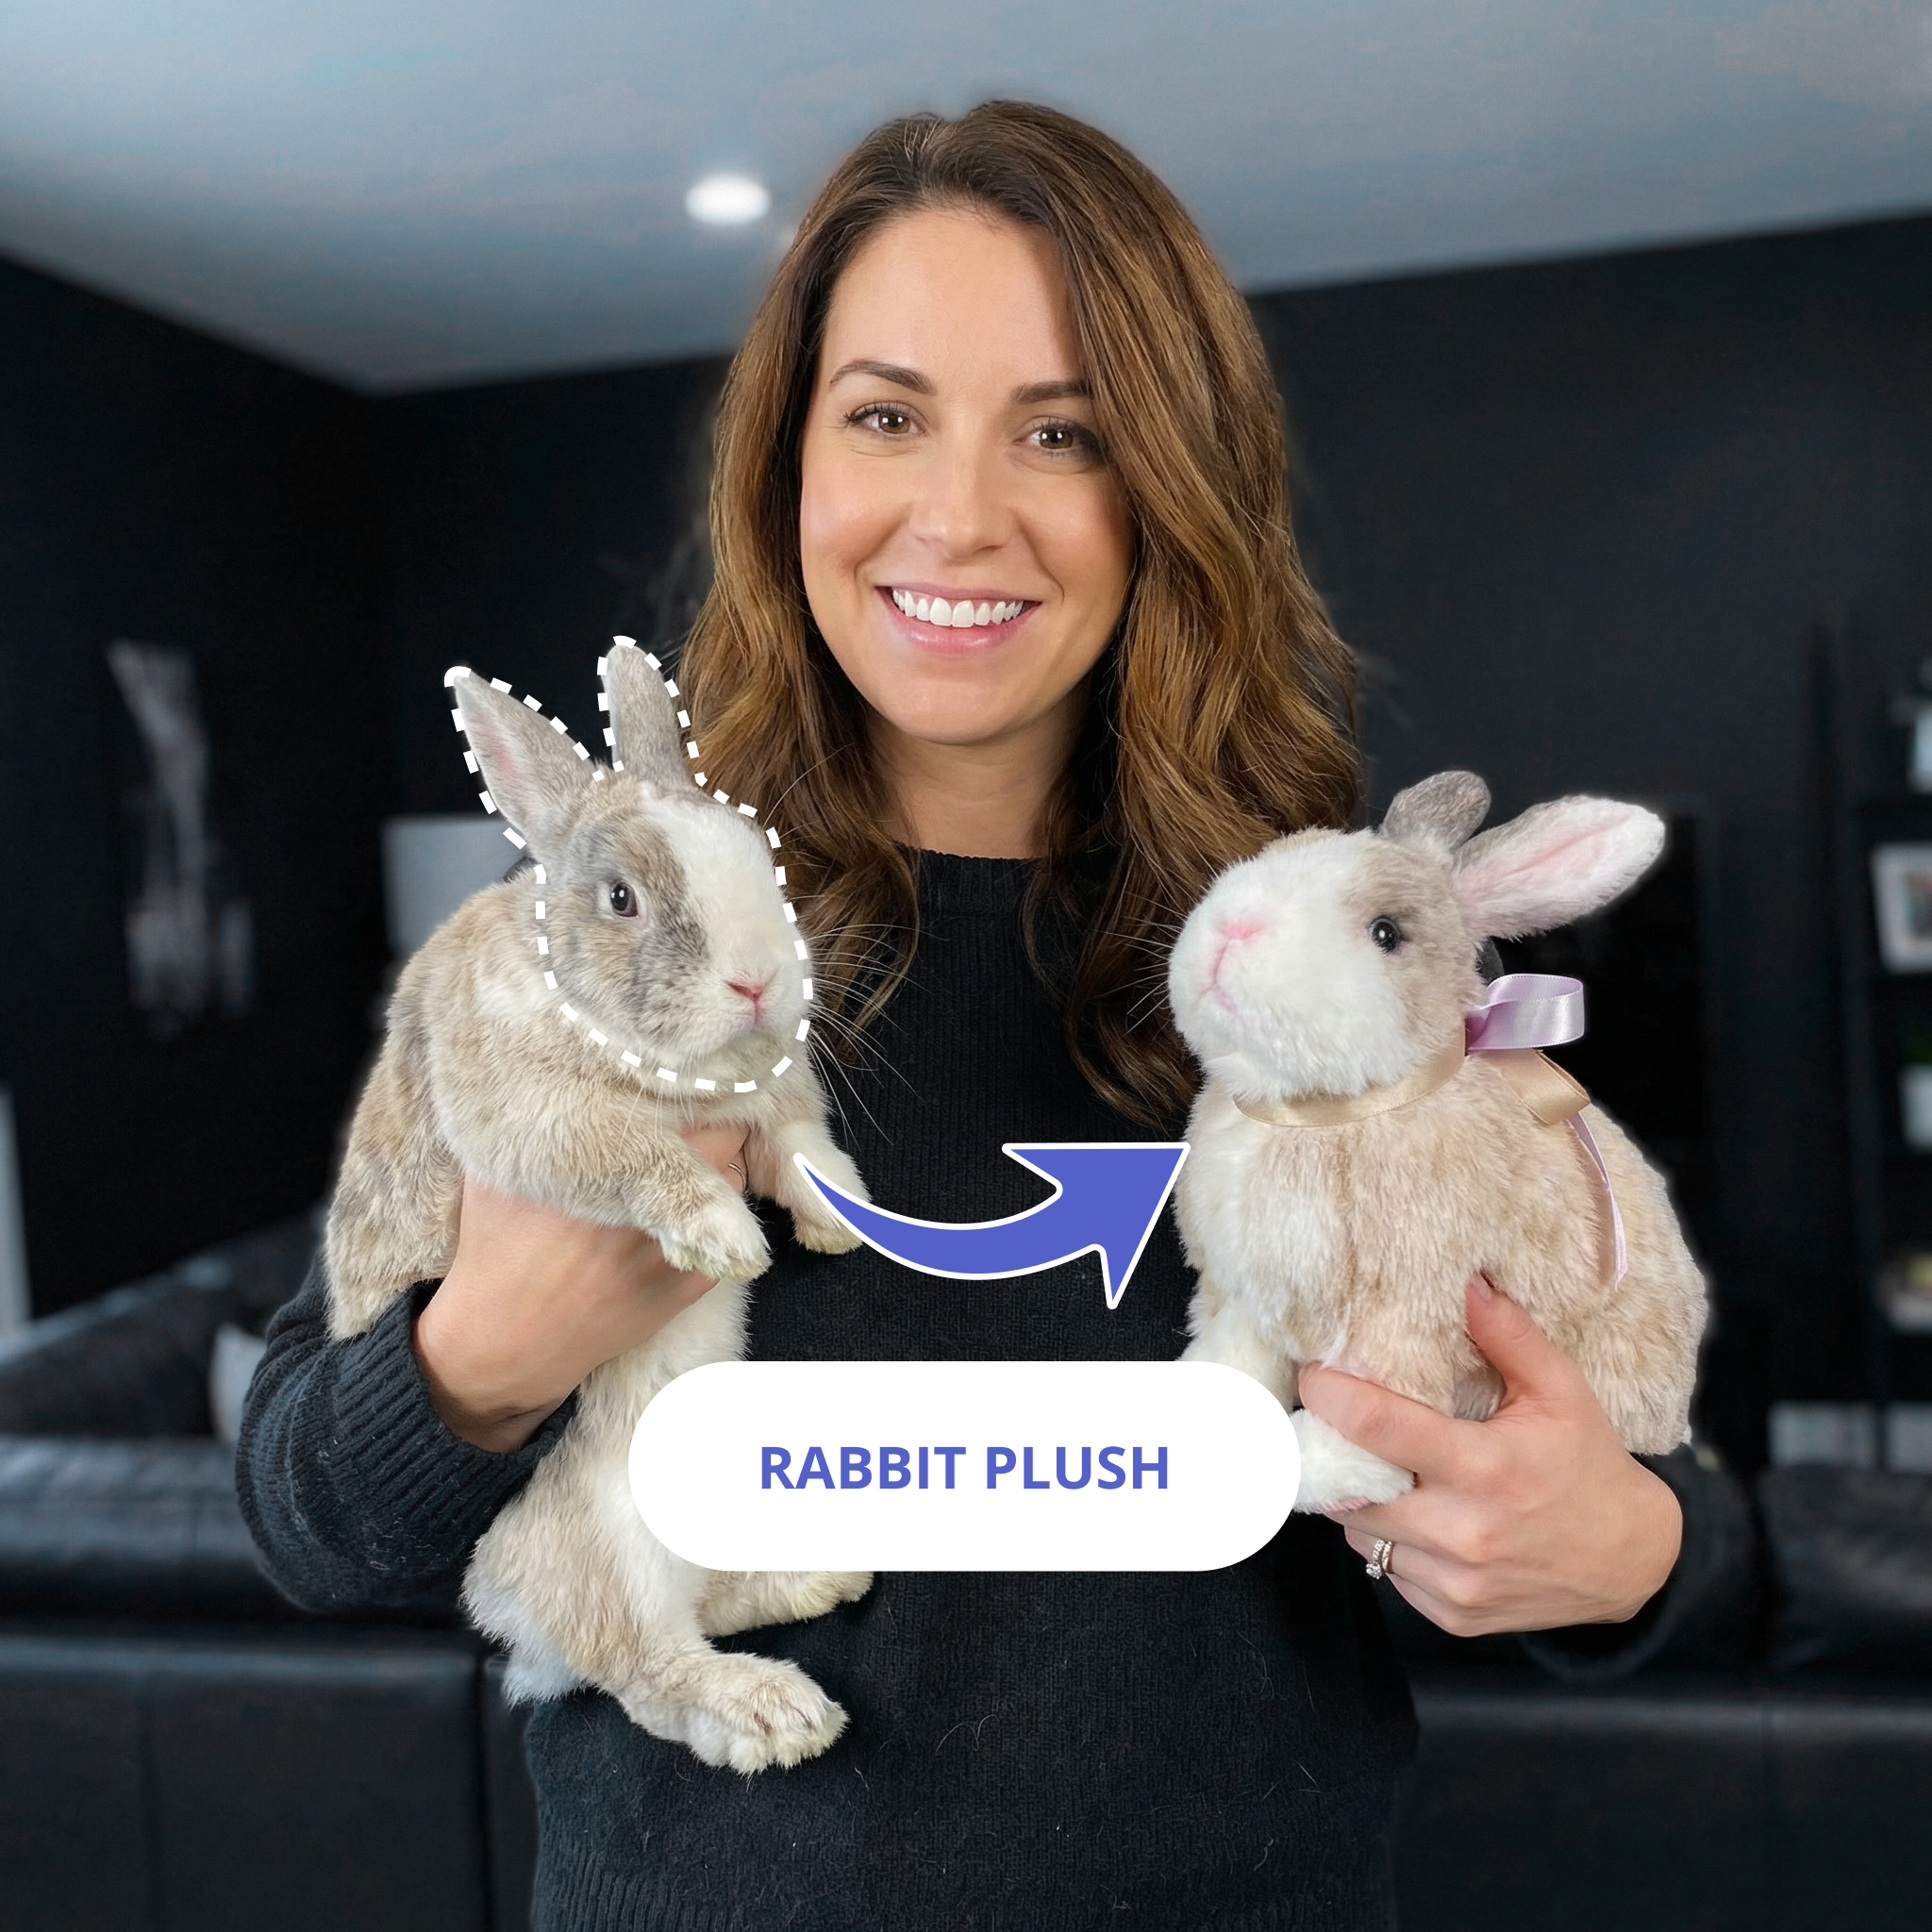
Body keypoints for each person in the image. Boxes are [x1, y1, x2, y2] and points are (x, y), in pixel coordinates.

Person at [242, 101, 1696, 1929]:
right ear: (786, 465)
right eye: (884, 415)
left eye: (1061, 432)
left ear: (1165, 485)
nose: (957, 514)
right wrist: (487, 1352)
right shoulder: (599, 947)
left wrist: (1636, 1549)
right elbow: (307, 1514)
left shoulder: (1310, 964)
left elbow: (1623, 1456)